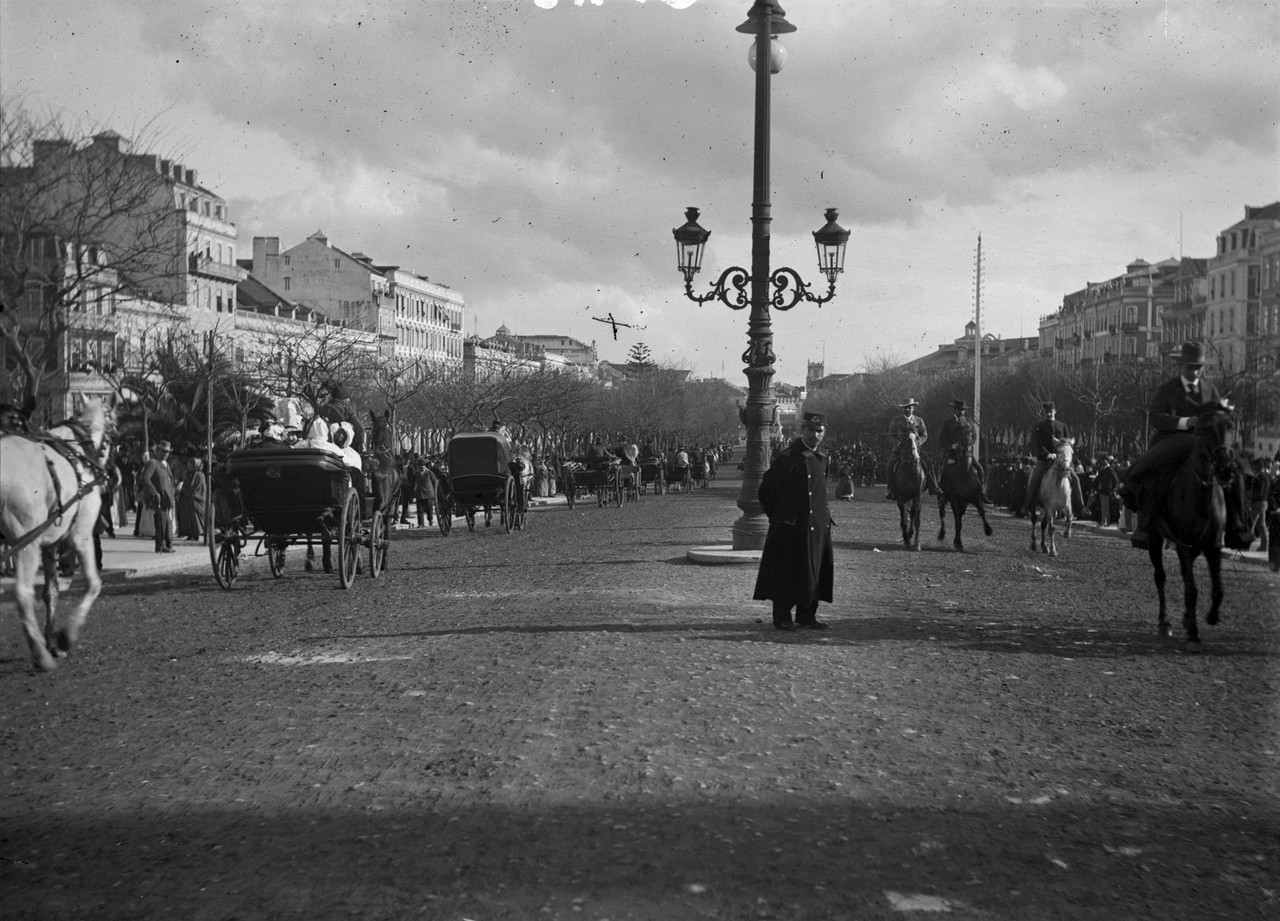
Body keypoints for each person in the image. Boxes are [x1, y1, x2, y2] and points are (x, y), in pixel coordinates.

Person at [1124, 342, 1252, 550]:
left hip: (1208, 443)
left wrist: (1225, 414)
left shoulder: (1211, 390)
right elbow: (1155, 417)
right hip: (1172, 440)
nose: (1195, 371)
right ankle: (1146, 524)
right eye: (1191, 367)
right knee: (1153, 471)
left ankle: (1237, 525)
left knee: (1236, 470)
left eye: (1198, 367)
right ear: (1181, 366)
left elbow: (1219, 415)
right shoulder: (1167, 390)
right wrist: (1184, 422)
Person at [753, 411, 834, 631]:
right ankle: (782, 616)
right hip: (790, 527)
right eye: (811, 430)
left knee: (814, 572)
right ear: (802, 431)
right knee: (786, 572)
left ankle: (807, 615)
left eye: (820, 431)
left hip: (817, 525)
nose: (815, 435)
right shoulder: (788, 458)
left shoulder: (823, 457)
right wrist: (779, 517)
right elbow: (766, 491)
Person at [1022, 401, 1085, 519]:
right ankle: (1027, 506)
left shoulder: (1062, 425)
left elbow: (1068, 443)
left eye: (1050, 411)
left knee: (1076, 479)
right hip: (1046, 459)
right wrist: (1047, 454)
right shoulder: (1039, 426)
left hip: (1061, 460)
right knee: (1034, 479)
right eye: (1046, 412)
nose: (1048, 414)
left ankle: (1081, 507)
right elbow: (1039, 443)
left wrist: (1062, 455)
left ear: (1054, 412)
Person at [938, 399, 990, 503]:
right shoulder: (948, 423)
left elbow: (974, 436)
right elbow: (941, 438)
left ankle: (981, 492)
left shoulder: (969, 422)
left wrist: (969, 444)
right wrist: (951, 446)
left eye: (962, 410)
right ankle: (942, 493)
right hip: (952, 454)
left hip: (966, 453)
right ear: (954, 410)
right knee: (943, 470)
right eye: (958, 410)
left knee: (980, 469)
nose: (960, 412)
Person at [885, 398, 937, 500]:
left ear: (913, 408)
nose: (907, 410)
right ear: (903, 409)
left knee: (929, 464)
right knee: (889, 466)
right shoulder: (896, 420)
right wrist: (899, 444)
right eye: (905, 408)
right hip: (900, 450)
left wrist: (916, 443)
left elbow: (924, 435)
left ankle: (933, 487)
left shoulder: (919, 420)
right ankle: (891, 490)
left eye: (909, 408)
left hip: (916, 450)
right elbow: (890, 435)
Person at [140, 440, 176, 553]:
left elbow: (170, 479)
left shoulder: (166, 464)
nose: (166, 454)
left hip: (167, 498)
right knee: (161, 523)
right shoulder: (152, 463)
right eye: (164, 451)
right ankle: (160, 545)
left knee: (167, 522)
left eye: (168, 452)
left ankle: (168, 544)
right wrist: (154, 492)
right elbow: (145, 478)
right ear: (158, 451)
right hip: (159, 498)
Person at [317, 380, 365, 453]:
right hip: (344, 448)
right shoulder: (347, 410)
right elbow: (360, 428)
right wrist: (360, 446)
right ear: (344, 399)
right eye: (348, 399)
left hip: (323, 447)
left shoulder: (321, 409)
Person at [176, 457, 208, 542]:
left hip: (196, 499)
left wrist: (186, 492)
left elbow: (197, 488)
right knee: (186, 515)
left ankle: (195, 534)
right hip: (187, 498)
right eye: (188, 465)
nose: (188, 466)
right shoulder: (188, 474)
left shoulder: (199, 475)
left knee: (194, 517)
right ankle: (189, 533)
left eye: (190, 465)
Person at [1247, 456, 1271, 553]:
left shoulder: (1260, 477)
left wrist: (1250, 496)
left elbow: (1259, 491)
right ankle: (1264, 546)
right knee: (1261, 525)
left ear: (1258, 466)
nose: (1253, 468)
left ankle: (1245, 545)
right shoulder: (1266, 476)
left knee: (1251, 525)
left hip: (1258, 502)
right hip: (1264, 502)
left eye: (1255, 466)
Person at [1092, 455, 1120, 528]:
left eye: (1104, 460)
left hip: (1106, 490)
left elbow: (1115, 480)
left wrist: (1113, 489)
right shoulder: (1104, 469)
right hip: (1102, 490)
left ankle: (1105, 522)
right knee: (1103, 507)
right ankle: (1103, 521)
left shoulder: (1109, 469)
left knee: (1105, 507)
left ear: (1107, 461)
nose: (1102, 461)